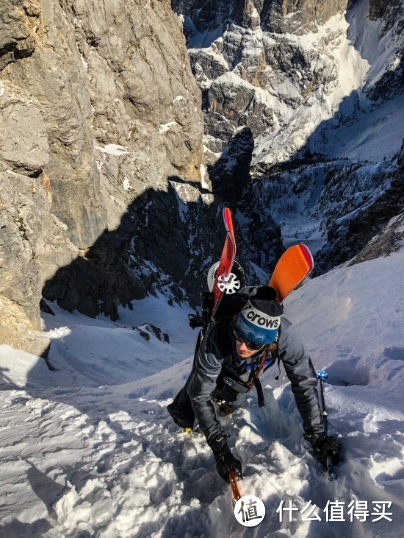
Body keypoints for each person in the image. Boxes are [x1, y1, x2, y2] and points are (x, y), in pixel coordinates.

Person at [167, 285, 340, 482]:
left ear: (269, 342)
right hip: (224, 356)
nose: (242, 346)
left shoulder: (287, 337)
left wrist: (316, 435)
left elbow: (304, 384)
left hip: (247, 371)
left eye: (253, 344)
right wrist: (221, 450)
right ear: (235, 323)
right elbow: (200, 393)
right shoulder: (219, 334)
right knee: (194, 392)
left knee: (233, 397)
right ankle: (186, 412)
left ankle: (225, 401)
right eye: (240, 336)